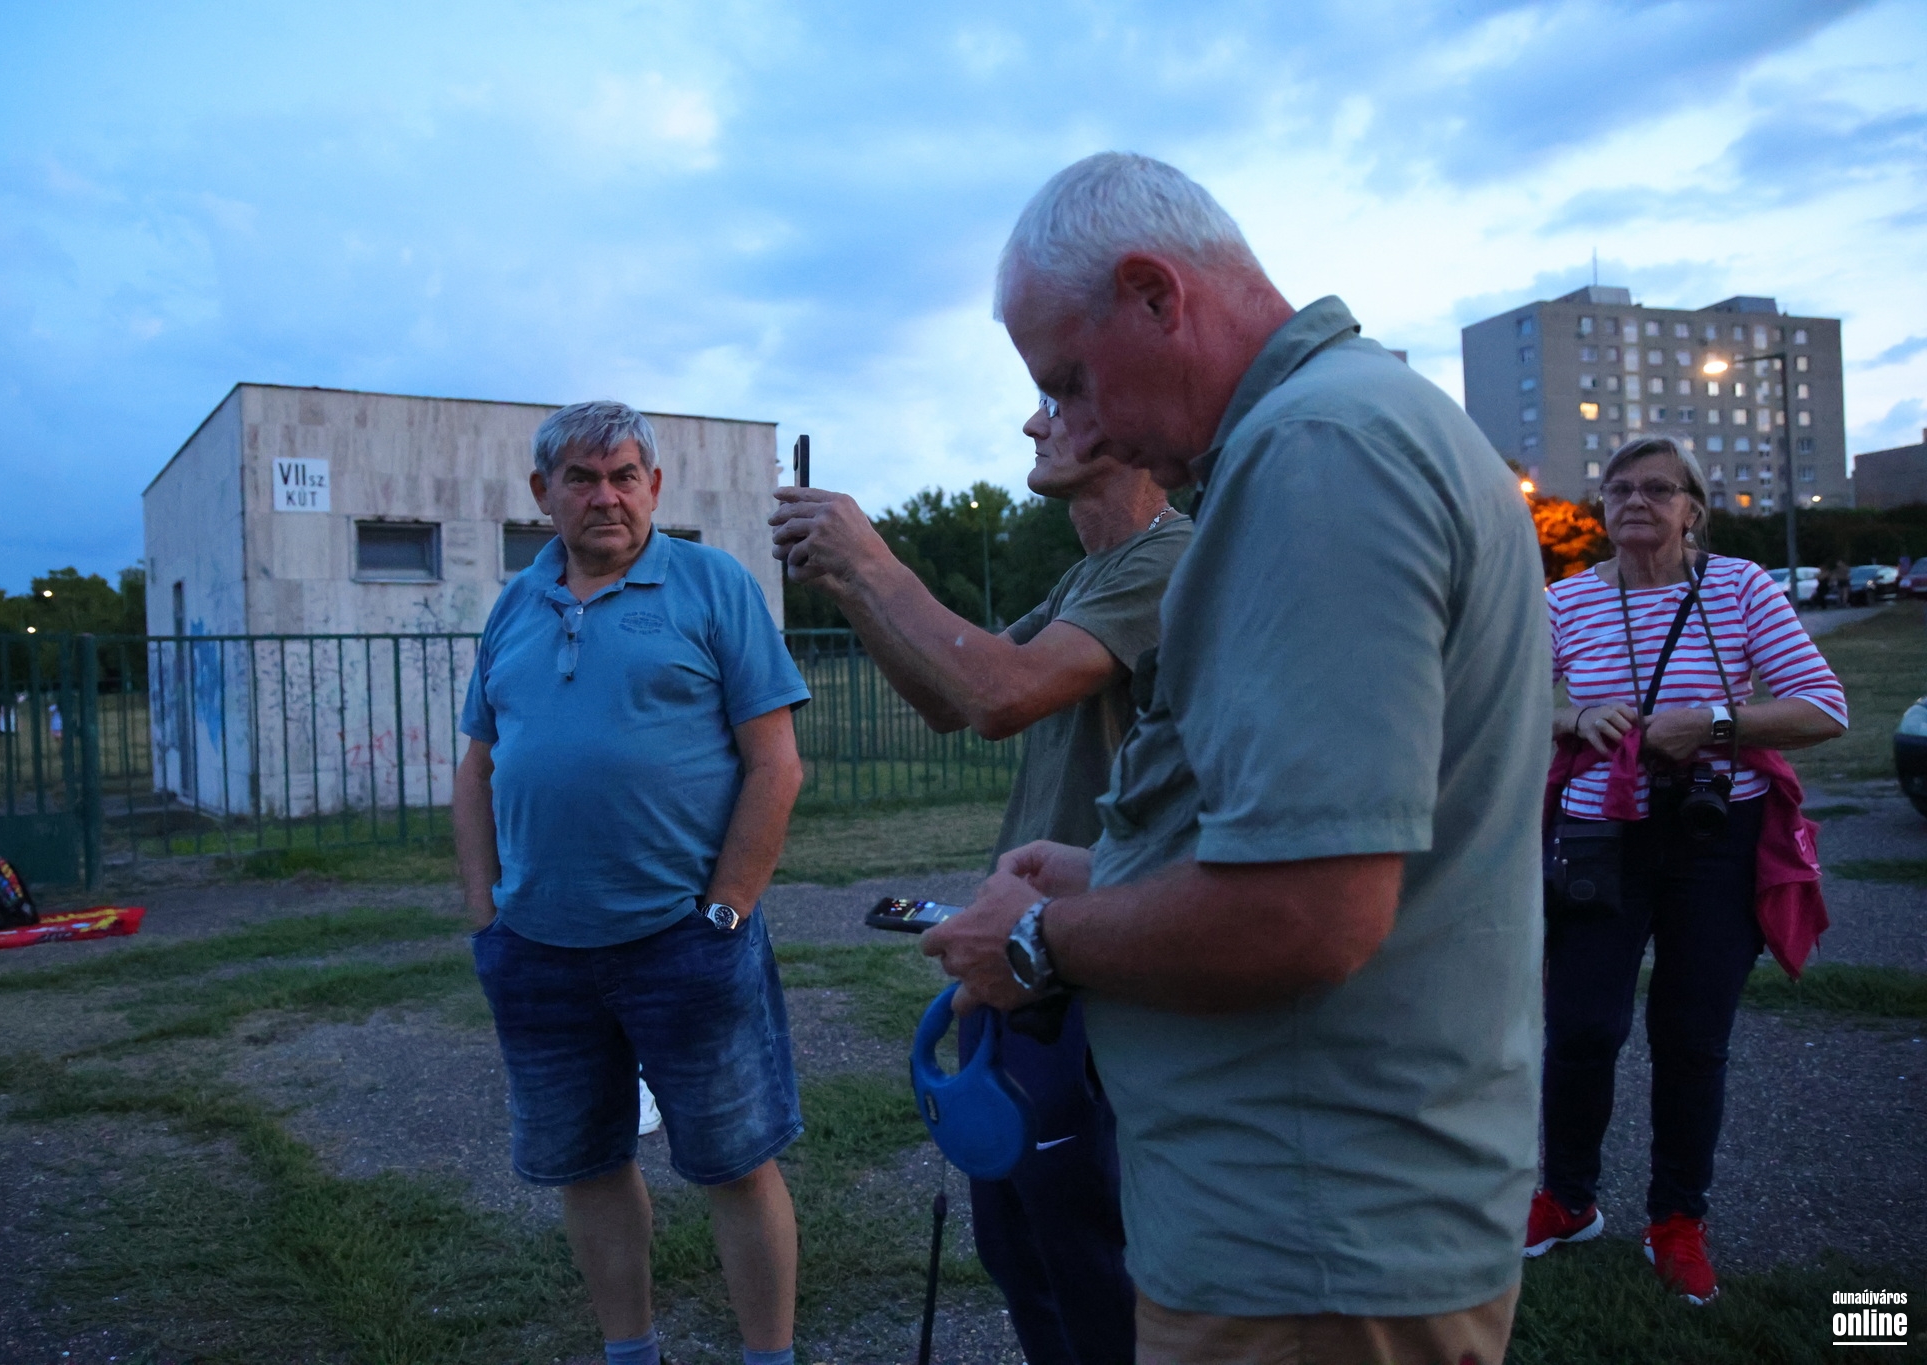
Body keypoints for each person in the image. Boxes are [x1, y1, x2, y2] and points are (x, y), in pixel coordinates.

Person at [918, 152, 1548, 1364]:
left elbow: (1306, 915)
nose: (1077, 428)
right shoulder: (1341, 430)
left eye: (1069, 381)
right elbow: (1324, 836)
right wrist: (1108, 875)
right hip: (1315, 1226)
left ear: (1155, 294)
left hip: (1306, 1246)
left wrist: (1037, 939)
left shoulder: (1314, 455)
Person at [770, 401, 1191, 1365]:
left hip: (1103, 961)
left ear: (1125, 423)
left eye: (1060, 401)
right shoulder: (1091, 574)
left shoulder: (1169, 560)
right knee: (1023, 1246)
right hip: (1032, 958)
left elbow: (1003, 693)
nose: (1031, 425)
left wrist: (875, 558)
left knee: (1092, 1257)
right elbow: (947, 697)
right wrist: (846, 581)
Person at [453, 400, 810, 1365]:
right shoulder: (514, 606)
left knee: (736, 1164)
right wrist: (487, 917)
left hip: (683, 942)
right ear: (544, 493)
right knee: (588, 1165)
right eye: (581, 478)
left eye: (623, 476)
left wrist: (726, 912)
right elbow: (477, 770)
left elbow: (775, 764)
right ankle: (631, 1352)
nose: (604, 496)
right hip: (539, 952)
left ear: (654, 486)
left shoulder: (712, 585)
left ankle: (769, 1358)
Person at [1538, 435, 1845, 1304]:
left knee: (1692, 1034)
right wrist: (1571, 715)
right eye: (1619, 489)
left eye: (1658, 488)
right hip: (1600, 835)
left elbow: (1824, 707)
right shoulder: (1563, 599)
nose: (1635, 501)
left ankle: (1677, 1219)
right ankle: (1567, 1198)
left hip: (1716, 836)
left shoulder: (1740, 586)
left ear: (1693, 509)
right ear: (1603, 506)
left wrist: (1710, 723)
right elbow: (1505, 695)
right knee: (1581, 1026)